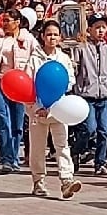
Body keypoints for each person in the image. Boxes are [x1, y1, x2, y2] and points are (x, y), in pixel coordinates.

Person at [0, 8, 37, 173]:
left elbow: (38, 58)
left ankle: (14, 156)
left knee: (17, 123)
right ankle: (7, 159)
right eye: (3, 20)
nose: (4, 23)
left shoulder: (28, 39)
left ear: (17, 22)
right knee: (3, 121)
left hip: (20, 86)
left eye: (7, 20)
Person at [27, 23, 79, 197]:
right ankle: (38, 181)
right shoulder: (34, 59)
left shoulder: (63, 58)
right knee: (38, 148)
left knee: (62, 145)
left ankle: (66, 180)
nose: (52, 38)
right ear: (43, 36)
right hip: (38, 110)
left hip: (59, 108)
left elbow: (69, 81)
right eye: (49, 34)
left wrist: (55, 96)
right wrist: (38, 107)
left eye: (55, 34)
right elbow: (29, 85)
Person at [72, 14, 107, 175]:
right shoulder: (81, 48)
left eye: (103, 27)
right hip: (86, 95)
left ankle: (100, 163)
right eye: (97, 27)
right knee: (89, 129)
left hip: (104, 95)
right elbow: (74, 70)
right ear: (89, 29)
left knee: (104, 131)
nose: (101, 31)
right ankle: (76, 150)